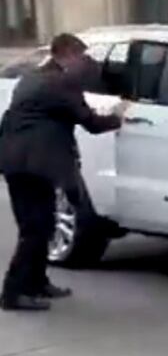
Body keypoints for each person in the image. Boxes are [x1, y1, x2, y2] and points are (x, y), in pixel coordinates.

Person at [0, 33, 129, 311]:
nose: (85, 64)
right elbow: (90, 122)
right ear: (68, 55)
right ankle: (13, 292)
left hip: (17, 160)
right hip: (34, 163)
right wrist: (119, 116)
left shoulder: (33, 77)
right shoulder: (61, 83)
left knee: (41, 224)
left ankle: (37, 282)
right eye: (81, 57)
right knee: (36, 229)